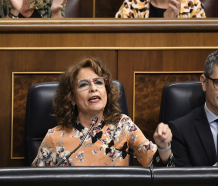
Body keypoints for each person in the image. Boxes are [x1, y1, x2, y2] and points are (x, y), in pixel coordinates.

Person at [32, 58, 174, 167]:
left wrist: (164, 147)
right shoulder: (54, 138)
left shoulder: (123, 126)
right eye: (83, 84)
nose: (93, 88)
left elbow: (160, 170)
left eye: (99, 82)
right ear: (72, 98)